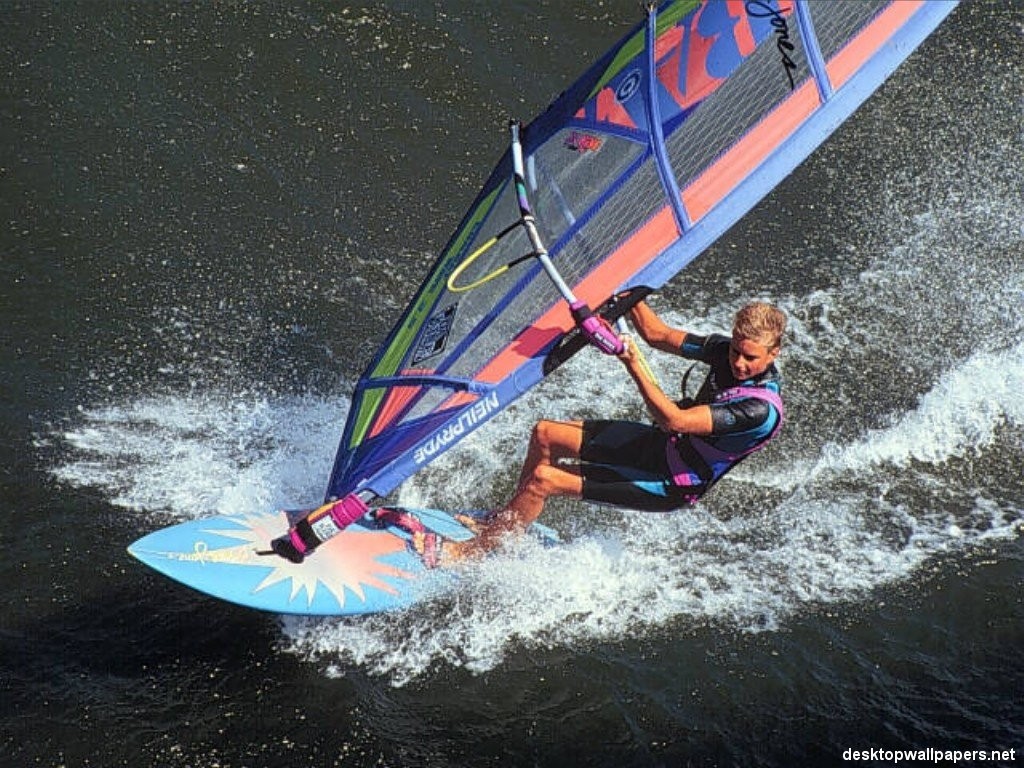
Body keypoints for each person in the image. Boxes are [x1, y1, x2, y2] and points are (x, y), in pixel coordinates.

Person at [421, 299, 786, 564]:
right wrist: (627, 289)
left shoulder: (757, 410)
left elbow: (673, 420)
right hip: (661, 446)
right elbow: (657, 334)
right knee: (545, 432)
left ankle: (469, 554)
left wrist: (632, 363)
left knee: (544, 480)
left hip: (671, 480)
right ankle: (507, 526)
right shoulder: (725, 351)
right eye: (737, 350)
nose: (738, 362)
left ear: (774, 353)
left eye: (750, 358)